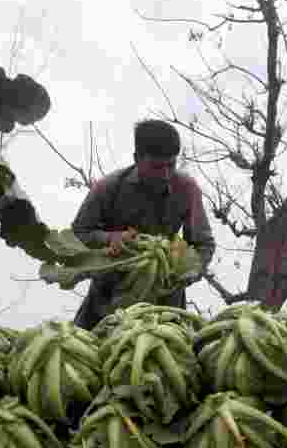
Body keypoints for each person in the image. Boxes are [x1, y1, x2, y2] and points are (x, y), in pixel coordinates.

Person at [70, 119, 216, 330]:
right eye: (157, 167)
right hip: (109, 297)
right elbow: (78, 233)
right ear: (137, 159)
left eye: (171, 165)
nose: (166, 174)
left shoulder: (187, 189)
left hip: (165, 303)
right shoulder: (108, 188)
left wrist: (188, 271)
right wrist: (110, 238)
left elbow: (203, 244)